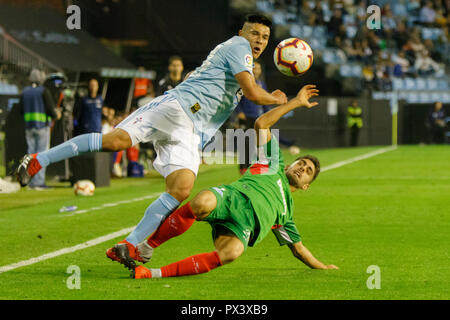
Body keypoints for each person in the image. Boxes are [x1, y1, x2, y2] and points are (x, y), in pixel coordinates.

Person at [16, 14, 288, 267]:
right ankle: (38, 160)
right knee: (116, 141)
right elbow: (253, 93)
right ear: (242, 33)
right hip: (176, 109)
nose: (259, 41)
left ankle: (128, 245)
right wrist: (276, 98)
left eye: (264, 37)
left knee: (182, 188)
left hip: (191, 132)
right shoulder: (238, 46)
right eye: (254, 34)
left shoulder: (240, 60)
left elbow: (221, 83)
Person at [126, 84, 338, 279]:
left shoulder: (286, 214)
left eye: (308, 171)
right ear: (288, 166)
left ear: (306, 186)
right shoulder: (273, 162)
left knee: (232, 253)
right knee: (202, 201)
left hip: (241, 227)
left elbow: (298, 249)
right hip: (230, 199)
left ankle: (151, 274)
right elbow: (261, 123)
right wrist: (295, 102)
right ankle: (148, 246)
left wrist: (323, 266)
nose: (302, 168)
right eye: (301, 163)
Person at [19, 69, 60, 190]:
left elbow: (21, 110)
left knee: (31, 155)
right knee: (42, 154)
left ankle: (30, 182)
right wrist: (56, 115)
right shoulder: (43, 91)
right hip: (42, 127)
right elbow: (51, 110)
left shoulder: (25, 91)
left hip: (28, 127)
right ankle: (38, 182)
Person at [235, 61, 269, 174]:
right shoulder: (244, 82)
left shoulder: (261, 84)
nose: (256, 70)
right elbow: (236, 98)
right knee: (245, 142)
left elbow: (265, 100)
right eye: (254, 68)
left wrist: (267, 114)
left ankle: (254, 166)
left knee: (257, 143)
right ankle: (243, 167)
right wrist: (239, 111)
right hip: (246, 116)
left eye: (258, 68)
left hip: (258, 117)